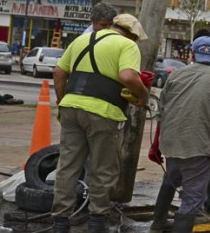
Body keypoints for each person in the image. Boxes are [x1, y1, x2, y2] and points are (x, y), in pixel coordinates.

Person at [50, 14, 150, 233]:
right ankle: (97, 220)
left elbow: (58, 73)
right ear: (132, 34)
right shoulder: (127, 45)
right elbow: (127, 77)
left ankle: (60, 221)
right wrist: (143, 95)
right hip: (102, 112)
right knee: (103, 168)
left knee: (67, 166)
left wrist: (62, 100)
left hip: (71, 108)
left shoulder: (81, 39)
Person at [148, 36, 210, 233]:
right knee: (193, 197)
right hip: (199, 148)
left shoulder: (175, 76)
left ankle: (158, 223)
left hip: (171, 144)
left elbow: (161, 112)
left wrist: (156, 145)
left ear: (192, 54)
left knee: (170, 180)